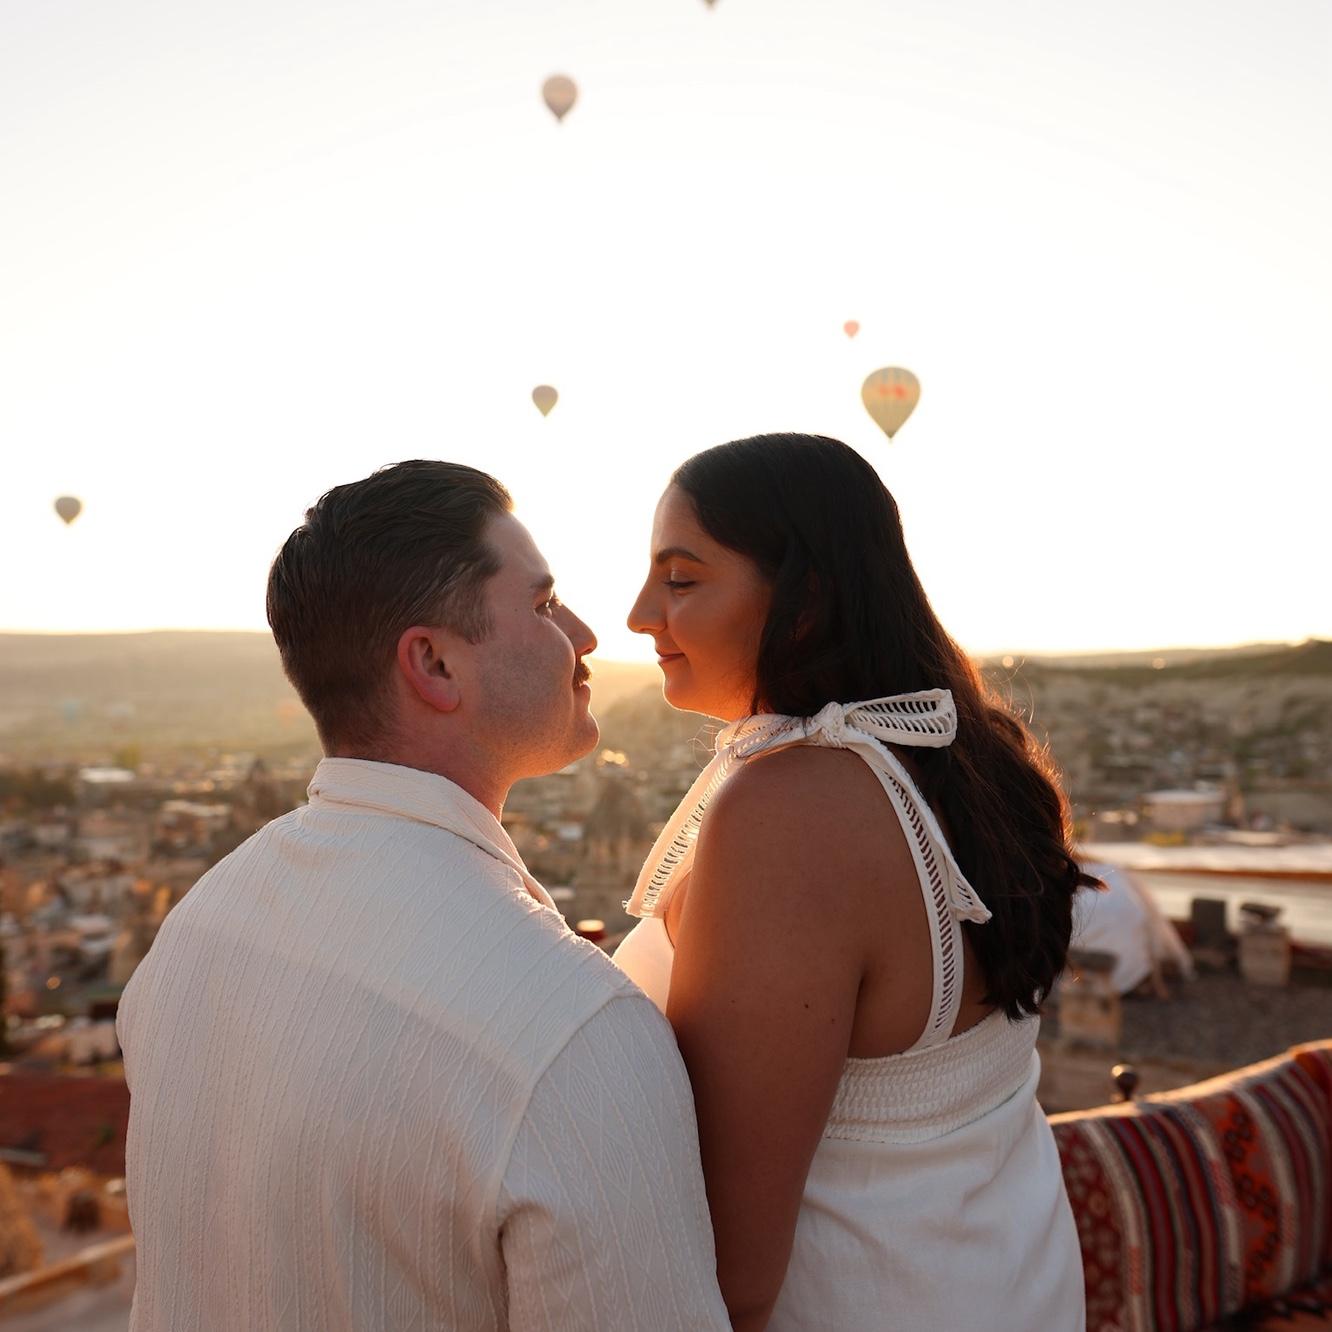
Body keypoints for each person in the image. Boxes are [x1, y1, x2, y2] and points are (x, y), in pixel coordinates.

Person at [116, 460, 729, 1331]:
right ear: (434, 663)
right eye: (548, 607)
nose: (590, 635)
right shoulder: (572, 1033)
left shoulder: (198, 930)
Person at [615, 433, 1090, 1331]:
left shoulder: (793, 808)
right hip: (1010, 1282)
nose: (641, 614)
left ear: (804, 601)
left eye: (681, 579)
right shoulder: (957, 758)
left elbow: (734, 1275)